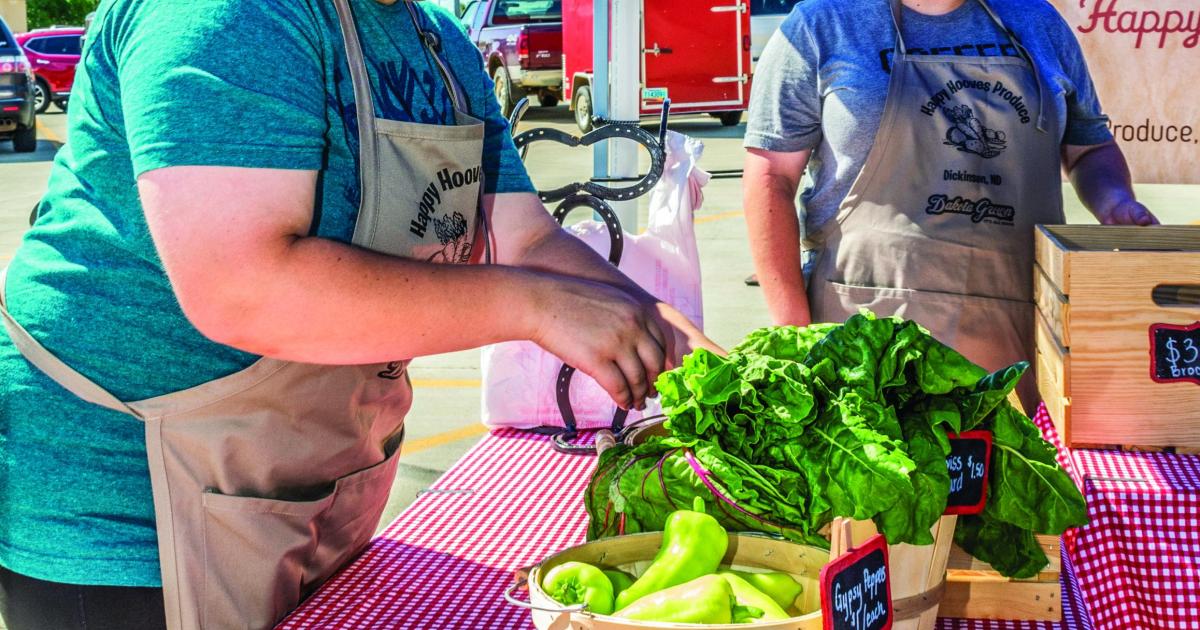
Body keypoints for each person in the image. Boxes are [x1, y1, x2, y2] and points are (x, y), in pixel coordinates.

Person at [0, 1, 715, 628]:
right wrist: (534, 307)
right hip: (132, 509)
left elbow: (528, 239)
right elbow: (242, 285)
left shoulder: (434, 40)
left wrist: (689, 351)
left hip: (304, 482)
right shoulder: (226, 14)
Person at [742, 0, 1157, 407]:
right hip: (862, 342)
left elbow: (1089, 148)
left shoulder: (1037, 20)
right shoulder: (823, 24)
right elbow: (770, 177)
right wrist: (793, 328)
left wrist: (1115, 201)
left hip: (1014, 344)